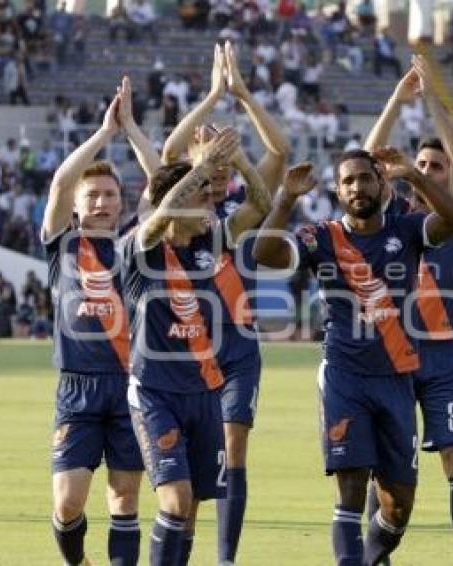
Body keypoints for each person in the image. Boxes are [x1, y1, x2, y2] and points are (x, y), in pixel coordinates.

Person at [253, 149, 453, 565]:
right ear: (337, 189)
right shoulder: (321, 237)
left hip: (397, 376)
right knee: (350, 489)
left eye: (365, 179)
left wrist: (414, 177)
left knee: (398, 504)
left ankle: (370, 557)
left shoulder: (406, 229)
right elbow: (264, 254)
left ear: (381, 184)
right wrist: (285, 200)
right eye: (348, 181)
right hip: (344, 376)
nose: (357, 188)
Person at [161, 41, 290, 566]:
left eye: (222, 170)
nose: (216, 176)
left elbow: (278, 156)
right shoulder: (179, 211)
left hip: (237, 347)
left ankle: (226, 558)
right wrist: (212, 95)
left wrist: (240, 101)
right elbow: (169, 155)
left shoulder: (240, 208)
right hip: (188, 350)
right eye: (207, 169)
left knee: (234, 447)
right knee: (190, 469)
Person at [122, 126, 271, 566]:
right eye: (201, 192)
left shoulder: (211, 240)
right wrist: (200, 168)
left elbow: (261, 204)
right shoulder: (141, 246)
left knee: (188, 511)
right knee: (174, 500)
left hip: (203, 391)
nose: (211, 198)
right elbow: (162, 209)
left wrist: (240, 160)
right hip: (154, 393)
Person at [363, 53, 453, 566]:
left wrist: (431, 97)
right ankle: (378, 556)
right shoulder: (394, 217)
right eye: (422, 164)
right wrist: (398, 98)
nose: (430, 171)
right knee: (383, 466)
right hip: (394, 354)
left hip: (443, 358)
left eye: (435, 167)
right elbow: (365, 159)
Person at [41, 77, 160, 566]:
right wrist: (104, 134)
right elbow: (59, 183)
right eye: (93, 196)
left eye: (110, 195)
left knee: (124, 500)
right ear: (77, 205)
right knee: (67, 503)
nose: (102, 203)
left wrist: (131, 128)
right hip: (77, 389)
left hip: (131, 385)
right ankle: (79, 562)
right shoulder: (61, 242)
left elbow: (163, 185)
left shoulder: (137, 244)